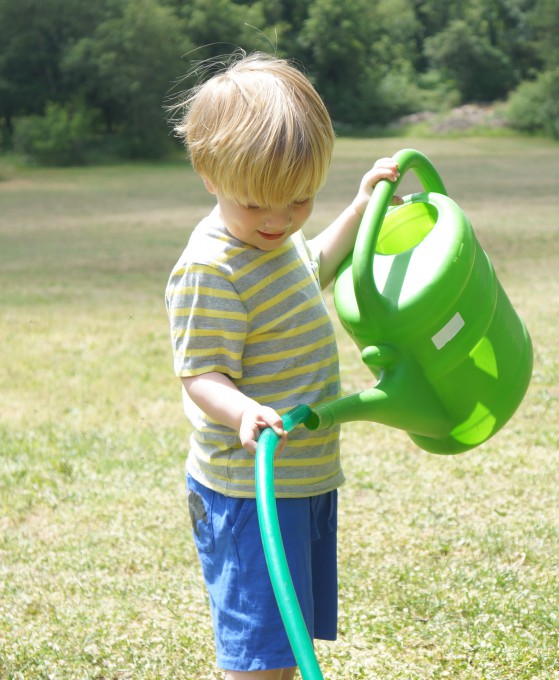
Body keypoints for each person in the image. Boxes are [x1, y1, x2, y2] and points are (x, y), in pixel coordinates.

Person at [165, 51, 400, 680]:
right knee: (260, 656)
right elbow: (201, 374)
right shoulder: (211, 270)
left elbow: (311, 267)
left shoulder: (274, 240)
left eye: (299, 201)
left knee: (288, 645)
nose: (278, 221)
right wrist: (244, 411)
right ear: (208, 174)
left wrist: (356, 208)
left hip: (304, 476)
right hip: (249, 490)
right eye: (257, 205)